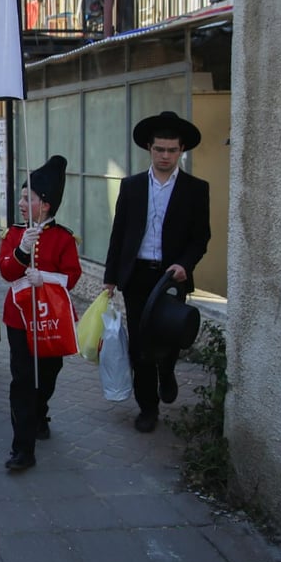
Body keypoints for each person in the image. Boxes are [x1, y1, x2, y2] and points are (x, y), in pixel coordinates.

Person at [103, 111, 211, 433]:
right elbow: (119, 233)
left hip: (171, 279)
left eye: (172, 150)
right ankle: (148, 408)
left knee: (169, 337)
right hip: (136, 276)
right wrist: (110, 277)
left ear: (181, 151)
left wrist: (185, 264)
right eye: (159, 149)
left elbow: (200, 237)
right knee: (140, 345)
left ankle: (168, 368)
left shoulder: (195, 189)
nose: (165, 156)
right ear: (149, 148)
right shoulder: (132, 186)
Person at [0, 156, 82, 472]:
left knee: (47, 376)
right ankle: (23, 448)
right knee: (22, 381)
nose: (21, 203)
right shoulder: (14, 234)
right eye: (21, 197)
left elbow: (72, 275)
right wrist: (22, 250)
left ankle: (40, 410)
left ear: (44, 205)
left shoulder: (63, 238)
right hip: (19, 319)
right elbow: (6, 272)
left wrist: (44, 278)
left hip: (51, 320)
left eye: (27, 198)